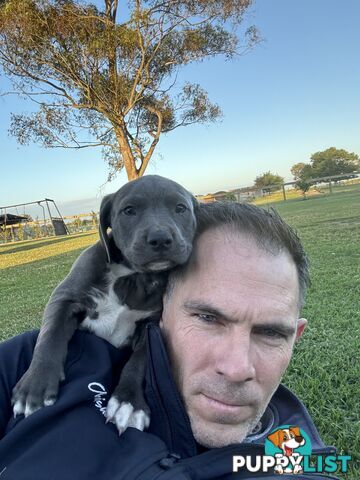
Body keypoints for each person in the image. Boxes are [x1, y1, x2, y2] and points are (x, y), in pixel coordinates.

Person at [0, 202, 338, 479]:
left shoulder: (297, 460)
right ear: (160, 309)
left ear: (296, 337)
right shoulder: (36, 359)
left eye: (270, 333)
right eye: (208, 318)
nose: (237, 368)